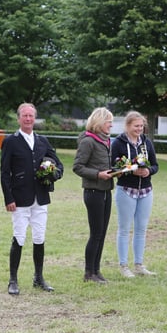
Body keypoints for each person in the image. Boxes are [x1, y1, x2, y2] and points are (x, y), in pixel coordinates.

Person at [0, 103, 63, 295]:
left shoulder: (42, 140)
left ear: (35, 118)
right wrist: (8, 198)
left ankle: (39, 277)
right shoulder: (11, 141)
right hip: (20, 197)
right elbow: (4, 172)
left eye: (31, 116)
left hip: (40, 196)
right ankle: (13, 280)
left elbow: (58, 164)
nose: (28, 119)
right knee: (19, 237)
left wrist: (53, 174)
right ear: (19, 118)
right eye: (25, 116)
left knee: (39, 237)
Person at [111, 111, 159, 278]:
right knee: (124, 229)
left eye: (141, 126)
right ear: (127, 126)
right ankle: (123, 265)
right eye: (136, 126)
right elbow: (113, 167)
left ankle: (139, 265)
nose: (139, 129)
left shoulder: (146, 142)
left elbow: (155, 165)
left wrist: (148, 171)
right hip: (126, 190)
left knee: (141, 229)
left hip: (145, 191)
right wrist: (131, 170)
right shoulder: (118, 143)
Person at [73, 107, 114, 284]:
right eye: (109, 122)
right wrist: (98, 174)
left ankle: (96, 270)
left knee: (102, 233)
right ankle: (89, 272)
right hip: (93, 192)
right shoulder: (88, 141)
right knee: (96, 233)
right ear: (99, 122)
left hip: (106, 190)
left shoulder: (106, 141)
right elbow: (78, 167)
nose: (111, 125)